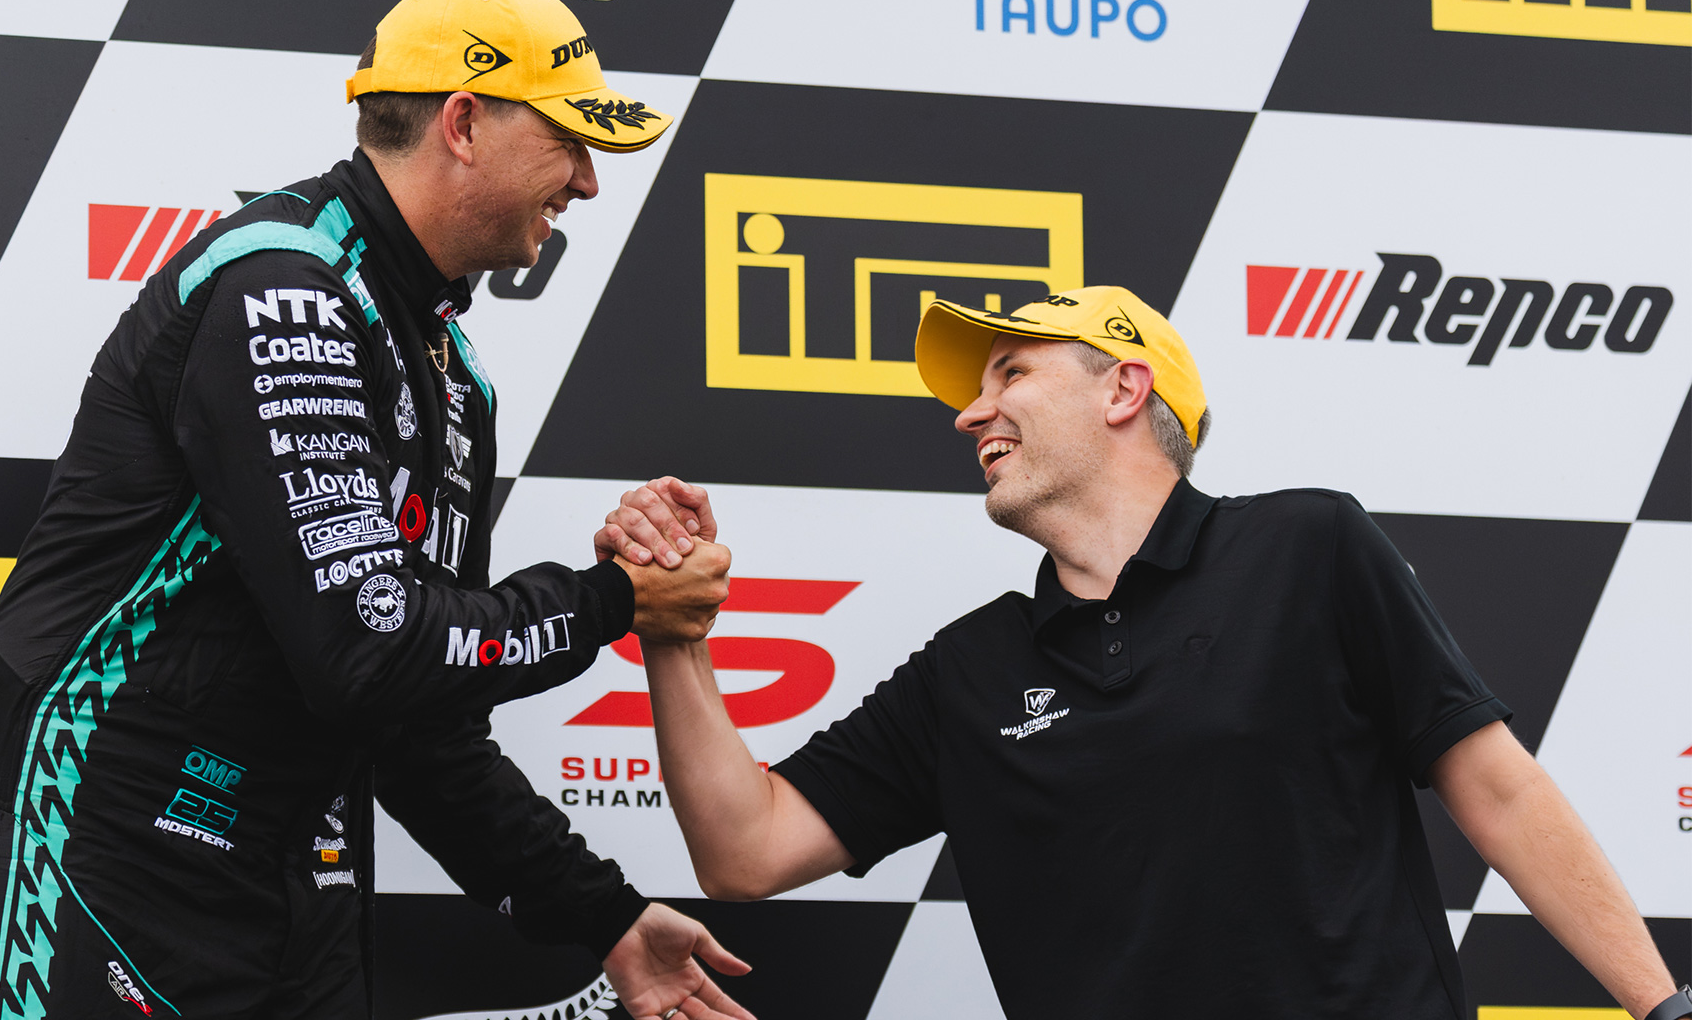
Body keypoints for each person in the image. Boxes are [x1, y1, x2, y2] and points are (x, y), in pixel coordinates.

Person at [0, 0, 752, 1020]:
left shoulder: (453, 374)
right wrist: (612, 603)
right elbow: (368, 644)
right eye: (568, 140)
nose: (588, 183)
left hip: (290, 876)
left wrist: (604, 917)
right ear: (465, 123)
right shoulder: (284, 287)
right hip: (106, 843)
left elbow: (420, 719)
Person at [625, 286, 1691, 1019]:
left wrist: (1662, 1006)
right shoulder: (969, 670)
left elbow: (1498, 788)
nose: (970, 414)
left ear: (1124, 390)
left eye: (1009, 373)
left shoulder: (1308, 545)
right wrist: (672, 633)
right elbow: (744, 850)